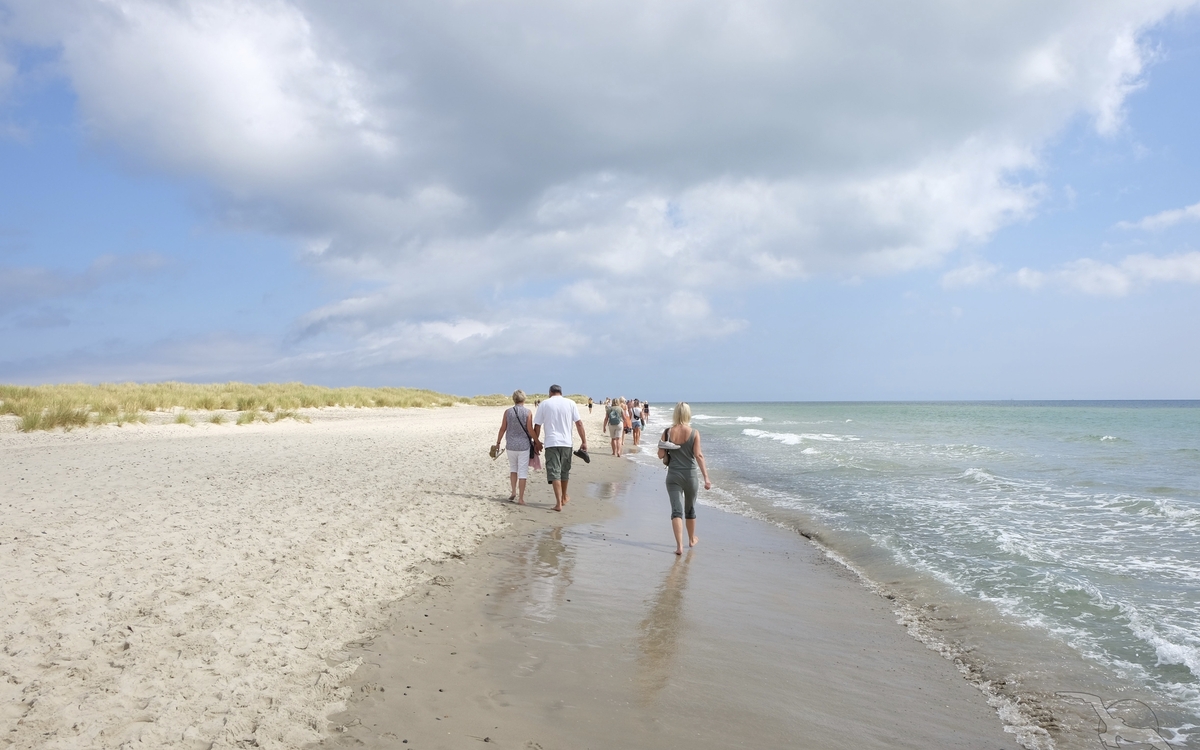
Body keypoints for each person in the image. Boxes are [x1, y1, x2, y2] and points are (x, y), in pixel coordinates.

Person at [657, 402, 712, 555]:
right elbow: (699, 455)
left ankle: (679, 546)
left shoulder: (667, 432)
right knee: (690, 509)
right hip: (690, 476)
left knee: (676, 511)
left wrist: (665, 446)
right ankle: (691, 539)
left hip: (673, 476)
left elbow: (661, 455)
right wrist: (706, 478)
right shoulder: (694, 433)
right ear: (688, 414)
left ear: (675, 414)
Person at [532, 384, 588, 512]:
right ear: (560, 392)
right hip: (566, 443)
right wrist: (584, 441)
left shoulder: (544, 404)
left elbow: (538, 425)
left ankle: (558, 503)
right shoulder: (570, 403)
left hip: (551, 443)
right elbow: (579, 423)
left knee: (554, 472)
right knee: (564, 471)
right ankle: (563, 497)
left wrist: (537, 442)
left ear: (550, 392)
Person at [494, 390, 536, 505]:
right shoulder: (528, 412)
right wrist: (537, 441)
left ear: (514, 399)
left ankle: (513, 492)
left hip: (511, 445)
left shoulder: (507, 412)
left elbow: (503, 428)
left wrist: (498, 442)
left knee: (513, 469)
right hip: (523, 446)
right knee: (522, 472)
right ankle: (521, 499)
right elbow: (530, 429)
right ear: (524, 399)